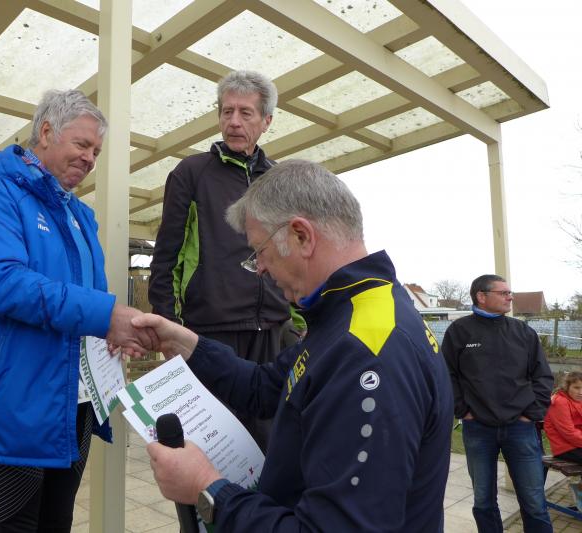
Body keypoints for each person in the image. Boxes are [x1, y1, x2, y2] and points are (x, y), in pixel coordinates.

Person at [133, 159, 453, 531]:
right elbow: (264, 387)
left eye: (259, 251)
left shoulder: (365, 351)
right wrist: (184, 341)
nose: (260, 268)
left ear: (301, 236)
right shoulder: (351, 313)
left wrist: (209, 490)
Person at [0, 88, 154, 533]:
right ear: (46, 132)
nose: (90, 158)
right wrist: (104, 314)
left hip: (73, 401)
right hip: (16, 402)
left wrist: (110, 332)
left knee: (58, 522)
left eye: (96, 151)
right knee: (15, 525)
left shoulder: (80, 217)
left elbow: (88, 299)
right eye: (82, 144)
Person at [149, 70, 295, 452]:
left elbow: (294, 256)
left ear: (266, 121)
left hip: (273, 333)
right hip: (210, 333)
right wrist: (168, 329)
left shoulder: (278, 179)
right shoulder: (191, 173)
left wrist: (301, 323)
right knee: (214, 449)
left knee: (270, 448)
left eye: (246, 113)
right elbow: (165, 257)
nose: (234, 121)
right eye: (227, 111)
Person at [442, 274, 554, 532]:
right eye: (503, 293)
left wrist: (531, 413)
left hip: (520, 428)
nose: (510, 297)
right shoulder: (459, 331)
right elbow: (447, 375)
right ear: (481, 296)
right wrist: (463, 411)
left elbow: (542, 376)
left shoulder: (523, 332)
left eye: (509, 292)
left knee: (534, 502)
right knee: (483, 502)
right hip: (478, 428)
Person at [544, 371, 582, 508]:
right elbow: (569, 433)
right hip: (565, 448)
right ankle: (580, 497)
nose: (581, 392)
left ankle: (580, 496)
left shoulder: (578, 401)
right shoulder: (560, 402)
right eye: (576, 387)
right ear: (567, 387)